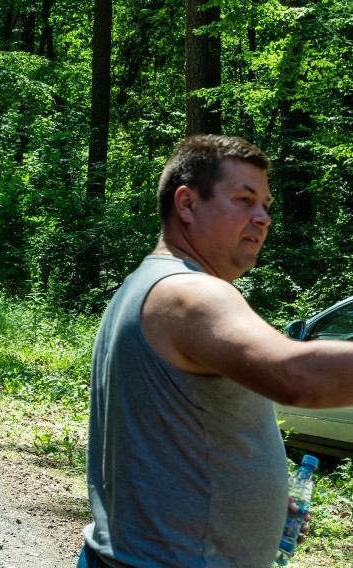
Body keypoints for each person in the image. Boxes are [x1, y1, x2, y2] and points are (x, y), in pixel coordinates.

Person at [80, 134, 353, 567]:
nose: (262, 217)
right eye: (245, 199)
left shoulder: (146, 284)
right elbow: (297, 377)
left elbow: (160, 440)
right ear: (186, 204)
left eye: (266, 205)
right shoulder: (190, 294)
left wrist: (246, 501)